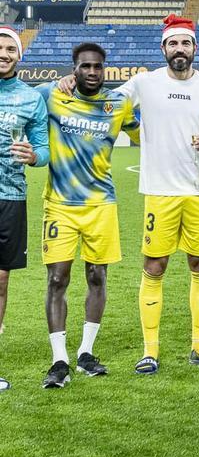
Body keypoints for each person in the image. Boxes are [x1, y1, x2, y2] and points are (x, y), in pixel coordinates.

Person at [63, 15, 199, 374]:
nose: (179, 49)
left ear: (195, 48)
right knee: (155, 266)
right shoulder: (145, 83)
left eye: (185, 43)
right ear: (163, 48)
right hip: (159, 192)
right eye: (173, 43)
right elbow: (103, 99)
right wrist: (71, 84)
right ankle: (149, 351)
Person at [37, 43, 138, 388]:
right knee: (57, 279)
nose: (92, 72)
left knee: (97, 277)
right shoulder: (52, 94)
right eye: (85, 66)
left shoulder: (118, 104)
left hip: (101, 205)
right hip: (60, 205)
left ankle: (85, 353)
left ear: (104, 69)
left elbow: (146, 136)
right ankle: (59, 359)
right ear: (74, 69)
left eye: (98, 67)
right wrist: (56, 82)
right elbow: (16, 95)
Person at [0, 25, 49, 390]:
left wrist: (34, 156)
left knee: (1, 281)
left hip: (10, 197)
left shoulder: (31, 98)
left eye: (10, 50)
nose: (3, 54)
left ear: (20, 56)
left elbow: (43, 150)